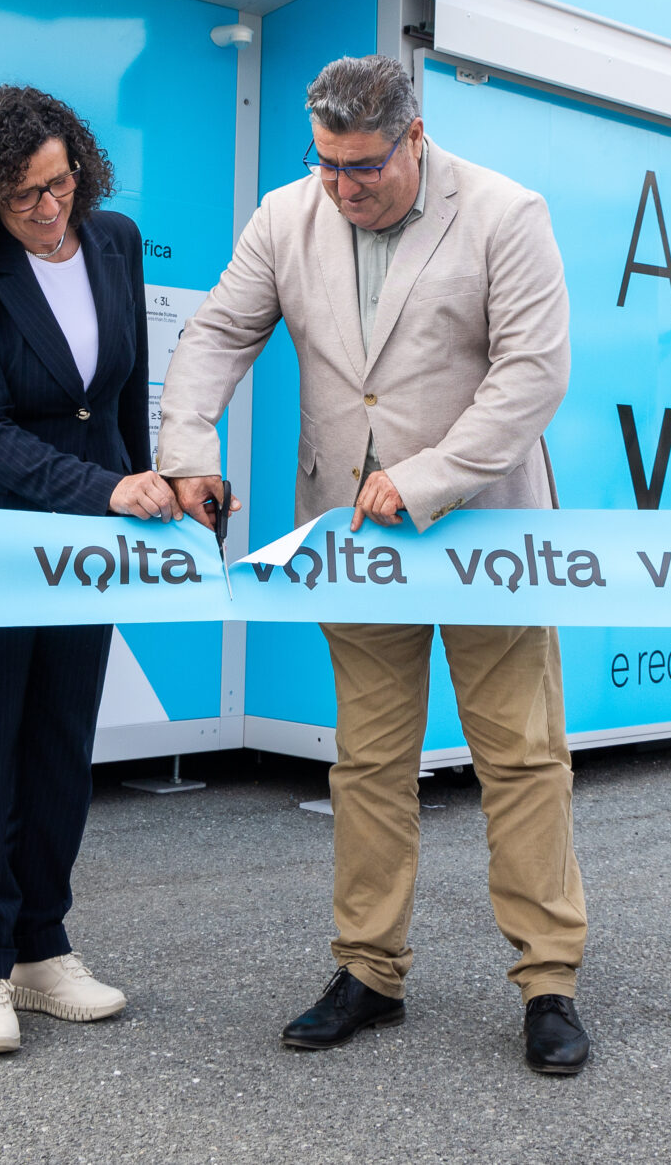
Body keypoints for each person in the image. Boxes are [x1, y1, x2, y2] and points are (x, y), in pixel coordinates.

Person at [156, 54, 590, 1075]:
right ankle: (369, 970)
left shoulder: (506, 213)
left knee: (520, 759)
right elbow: (216, 335)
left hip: (484, 531)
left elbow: (533, 375)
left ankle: (549, 980)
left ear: (414, 137)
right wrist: (188, 449)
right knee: (367, 763)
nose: (343, 186)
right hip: (350, 539)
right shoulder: (285, 214)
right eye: (328, 163)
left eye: (364, 167)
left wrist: (427, 477)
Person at [0, 85, 179, 1056]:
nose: (48, 206)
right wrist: (107, 491)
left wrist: (152, 489)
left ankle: (41, 947)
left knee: (59, 744)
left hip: (87, 539)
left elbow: (122, 400)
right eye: (24, 193)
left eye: (60, 182)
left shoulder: (113, 240)